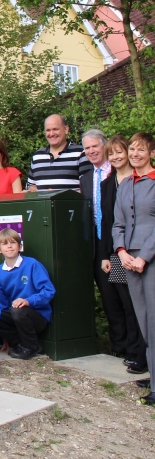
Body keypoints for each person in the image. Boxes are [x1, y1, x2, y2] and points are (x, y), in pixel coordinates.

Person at [112, 132, 155, 402]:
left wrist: (144, 256)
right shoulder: (126, 183)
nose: (135, 154)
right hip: (129, 259)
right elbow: (118, 224)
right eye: (132, 150)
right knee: (143, 320)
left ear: (151, 152)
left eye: (141, 150)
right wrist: (122, 252)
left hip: (149, 259)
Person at [98, 135, 146, 373]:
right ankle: (130, 349)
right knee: (125, 303)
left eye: (120, 152)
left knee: (139, 304)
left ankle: (141, 352)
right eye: (112, 154)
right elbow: (108, 221)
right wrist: (107, 254)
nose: (116, 157)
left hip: (140, 250)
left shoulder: (140, 180)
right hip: (117, 252)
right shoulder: (107, 184)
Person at [80, 129, 127, 360]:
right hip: (98, 245)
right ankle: (119, 346)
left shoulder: (117, 173)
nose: (91, 151)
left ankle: (135, 346)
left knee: (124, 294)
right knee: (108, 296)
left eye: (94, 147)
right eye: (87, 148)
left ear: (104, 146)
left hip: (118, 243)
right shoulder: (86, 177)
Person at [0, 228, 56, 360]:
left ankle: (31, 346)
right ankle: (18, 343)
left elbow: (48, 291)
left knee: (18, 311)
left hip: (36, 315)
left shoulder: (32, 264)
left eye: (13, 243)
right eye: (5, 244)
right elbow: (1, 303)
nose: (9, 246)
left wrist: (28, 301)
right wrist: (5, 337)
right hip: (15, 317)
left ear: (20, 246)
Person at [26, 114, 90, 191]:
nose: (51, 134)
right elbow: (31, 187)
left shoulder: (81, 153)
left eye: (55, 129)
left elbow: (88, 187)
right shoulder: (37, 156)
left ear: (66, 129)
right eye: (48, 130)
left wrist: (57, 198)